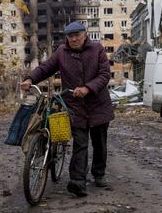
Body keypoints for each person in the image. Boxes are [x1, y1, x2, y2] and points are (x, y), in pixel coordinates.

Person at [20, 21, 114, 197]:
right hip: (75, 106)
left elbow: (104, 75)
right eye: (70, 36)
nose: (74, 39)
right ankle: (78, 181)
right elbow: (46, 68)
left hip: (98, 105)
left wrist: (87, 88)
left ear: (84, 34)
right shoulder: (62, 52)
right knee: (80, 143)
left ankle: (99, 174)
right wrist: (30, 79)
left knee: (100, 143)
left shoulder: (97, 50)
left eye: (77, 35)